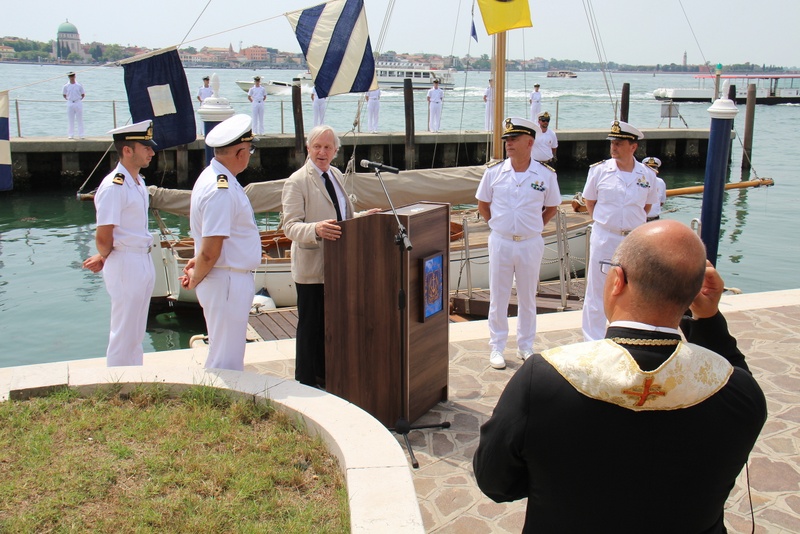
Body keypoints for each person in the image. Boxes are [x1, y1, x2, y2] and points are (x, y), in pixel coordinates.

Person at [473, 219, 767, 533]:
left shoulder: (544, 378)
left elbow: (495, 481)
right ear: (695, 293)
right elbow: (741, 385)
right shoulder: (736, 394)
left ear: (617, 280)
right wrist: (708, 321)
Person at [476, 117, 561, 370]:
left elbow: (552, 207)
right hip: (501, 241)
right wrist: (498, 225)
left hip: (530, 243)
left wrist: (533, 227)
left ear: (530, 143)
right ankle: (497, 347)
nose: (508, 144)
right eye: (507, 140)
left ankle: (525, 345)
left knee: (527, 297)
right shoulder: (494, 172)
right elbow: (483, 204)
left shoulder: (545, 175)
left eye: (514, 139)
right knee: (498, 296)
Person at [179, 114, 261, 371]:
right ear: (240, 153)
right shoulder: (220, 189)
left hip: (226, 278)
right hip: (227, 280)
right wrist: (196, 277)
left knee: (225, 353)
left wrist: (198, 266)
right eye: (249, 150)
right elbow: (211, 250)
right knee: (226, 361)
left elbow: (210, 242)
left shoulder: (215, 178)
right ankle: (219, 396)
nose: (250, 155)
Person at [281, 125, 356, 388]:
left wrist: (361, 218)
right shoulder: (297, 181)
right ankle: (305, 380)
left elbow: (341, 216)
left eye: (327, 147)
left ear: (335, 151)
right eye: (317, 147)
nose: (322, 152)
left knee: (331, 325)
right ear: (308, 148)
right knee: (310, 326)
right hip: (312, 267)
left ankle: (326, 375)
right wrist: (316, 229)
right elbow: (290, 227)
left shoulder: (335, 174)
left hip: (338, 265)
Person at [82, 120, 157, 366]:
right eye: (146, 147)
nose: (151, 152)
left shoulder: (137, 181)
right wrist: (105, 255)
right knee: (124, 329)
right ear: (127, 150)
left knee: (136, 330)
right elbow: (104, 236)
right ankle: (118, 378)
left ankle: (134, 376)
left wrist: (104, 255)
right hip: (126, 261)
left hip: (142, 258)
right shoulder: (114, 186)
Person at [581, 120, 659, 341]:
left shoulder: (647, 175)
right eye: (612, 143)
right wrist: (608, 222)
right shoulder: (599, 171)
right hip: (605, 236)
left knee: (633, 289)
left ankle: (626, 336)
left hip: (633, 239)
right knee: (597, 290)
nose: (613, 147)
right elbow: (590, 202)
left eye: (619, 143)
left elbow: (646, 207)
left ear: (633, 146)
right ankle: (593, 341)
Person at [643, 156, 667, 221]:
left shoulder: (661, 182)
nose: (651, 171)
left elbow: (662, 202)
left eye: (654, 168)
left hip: (655, 219)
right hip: (641, 220)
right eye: (649, 168)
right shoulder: (638, 181)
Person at [62, 71, 85, 139]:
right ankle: (71, 134)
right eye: (70, 76)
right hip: (70, 102)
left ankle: (81, 134)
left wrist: (78, 99)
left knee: (79, 119)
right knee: (70, 119)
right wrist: (69, 99)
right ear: (69, 77)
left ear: (75, 76)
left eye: (72, 76)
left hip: (78, 102)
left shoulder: (79, 85)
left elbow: (83, 94)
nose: (71, 77)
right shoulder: (66, 86)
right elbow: (64, 94)